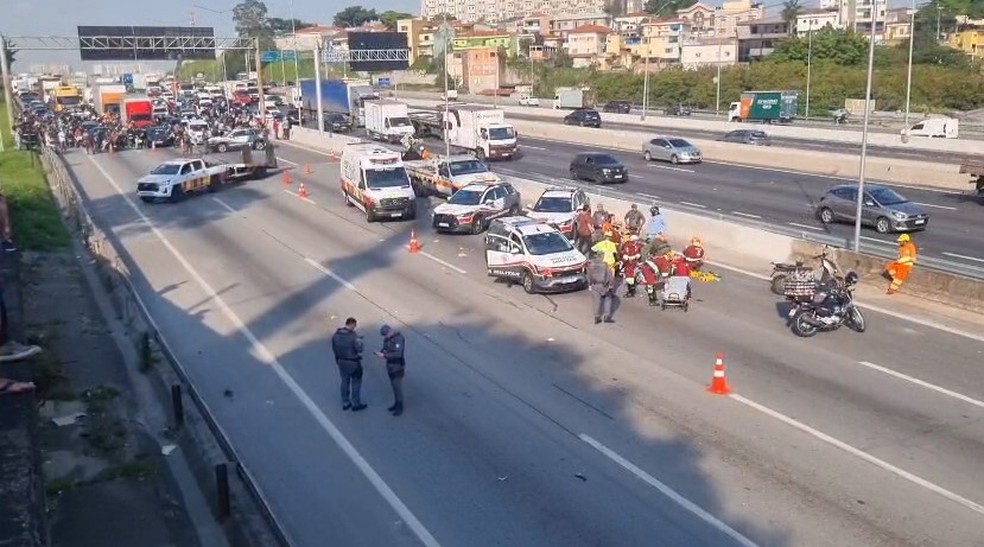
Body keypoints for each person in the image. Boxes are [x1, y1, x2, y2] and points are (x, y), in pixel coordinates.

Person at [330, 317, 367, 411]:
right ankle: (356, 403)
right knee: (356, 383)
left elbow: (334, 348)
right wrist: (360, 341)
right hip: (353, 363)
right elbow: (360, 349)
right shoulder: (353, 337)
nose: (355, 327)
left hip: (341, 362)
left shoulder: (336, 335)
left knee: (344, 381)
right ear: (352, 324)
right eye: (355, 325)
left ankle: (345, 402)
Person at [376, 325, 406, 416]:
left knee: (397, 387)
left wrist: (384, 356)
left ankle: (399, 406)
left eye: (386, 335)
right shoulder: (387, 339)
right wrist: (382, 351)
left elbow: (398, 354)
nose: (385, 337)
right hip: (390, 365)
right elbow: (385, 348)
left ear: (390, 332)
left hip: (398, 366)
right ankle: (396, 403)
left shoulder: (398, 339)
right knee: (393, 386)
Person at [586, 250, 616, 324]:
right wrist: (611, 284)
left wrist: (589, 284)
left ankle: (597, 317)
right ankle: (607, 317)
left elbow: (588, 276)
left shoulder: (590, 265)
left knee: (596, 301)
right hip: (604, 285)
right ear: (602, 257)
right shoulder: (605, 265)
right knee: (608, 299)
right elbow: (610, 275)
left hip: (594, 285)